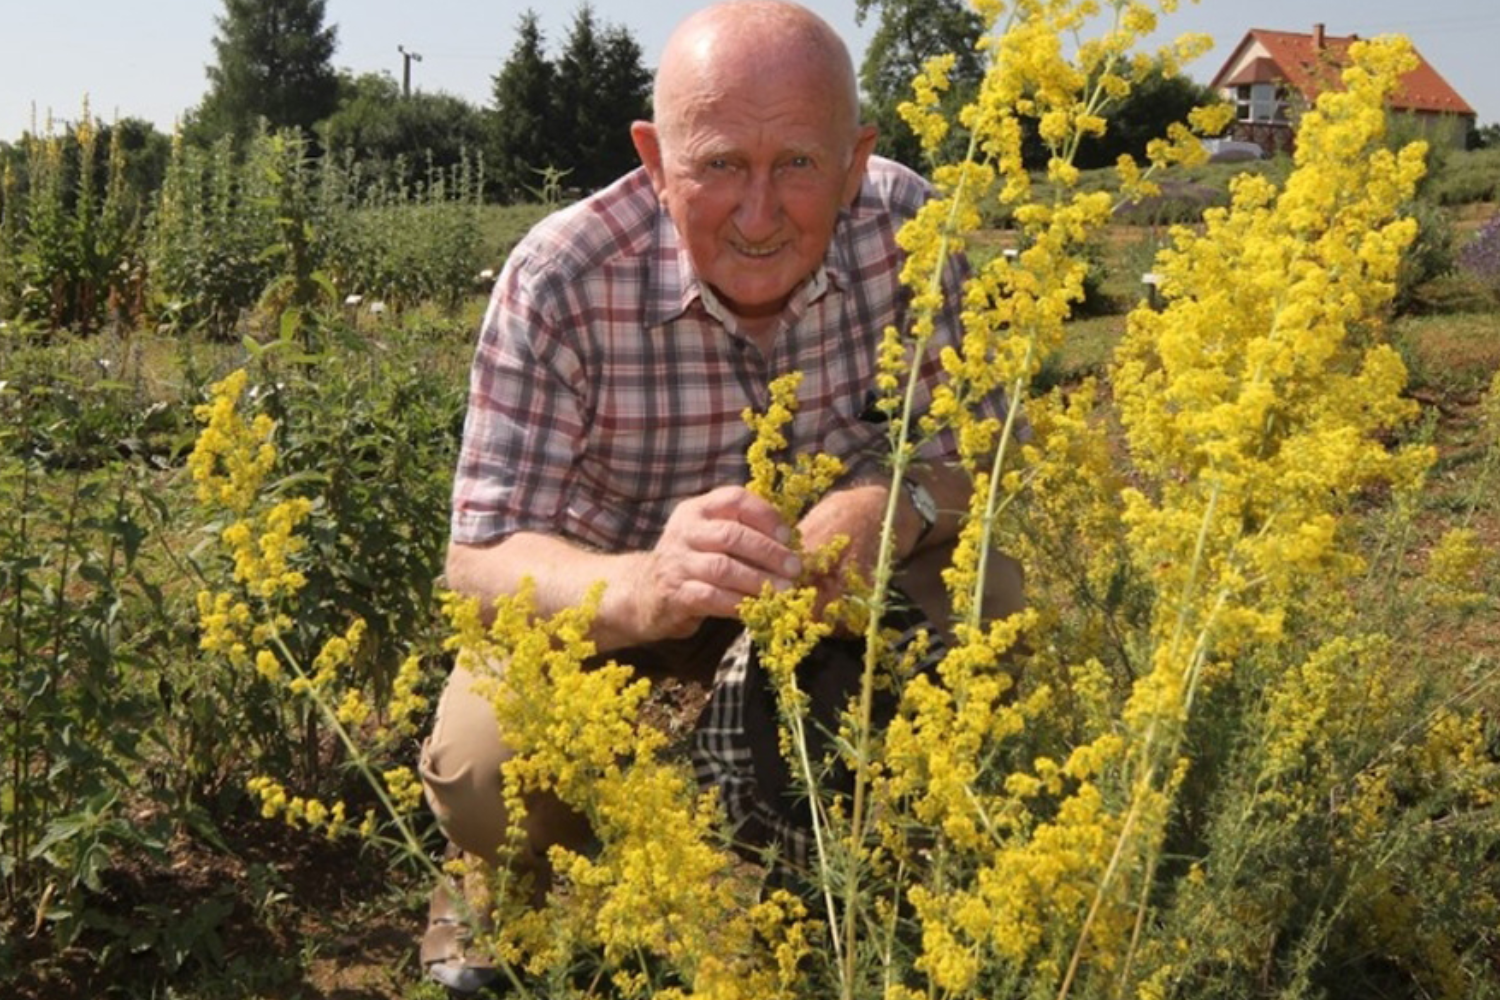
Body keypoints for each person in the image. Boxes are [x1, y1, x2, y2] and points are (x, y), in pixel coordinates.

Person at [417, 1, 1022, 992]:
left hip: (825, 600)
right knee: (485, 770)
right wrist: (650, 587)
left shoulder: (910, 228)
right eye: (719, 165)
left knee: (991, 596)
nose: (758, 213)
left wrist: (888, 511)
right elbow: (480, 562)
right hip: (606, 609)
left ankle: (880, 860)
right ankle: (500, 890)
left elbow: (980, 450)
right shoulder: (561, 279)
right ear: (654, 160)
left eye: (796, 164)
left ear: (857, 158)